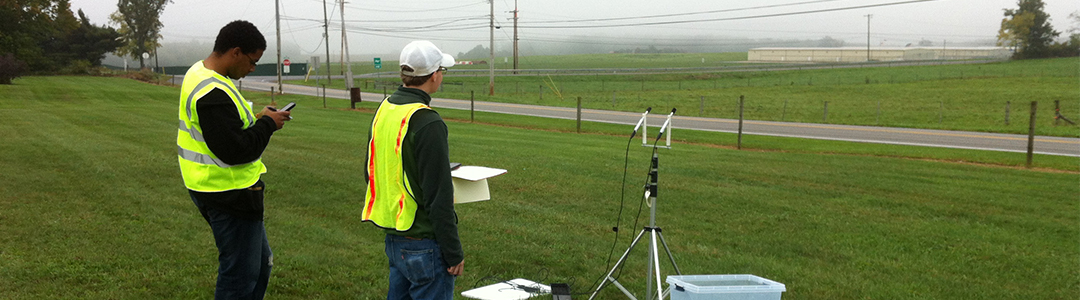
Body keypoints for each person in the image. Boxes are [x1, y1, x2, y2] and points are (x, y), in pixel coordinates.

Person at [176, 20, 290, 300]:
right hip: (227, 192)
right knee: (239, 276)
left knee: (260, 265)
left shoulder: (200, 73)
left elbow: (228, 128)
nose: (252, 69)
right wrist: (268, 126)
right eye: (252, 62)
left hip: (217, 187)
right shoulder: (211, 93)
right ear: (235, 52)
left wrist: (260, 118)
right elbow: (236, 150)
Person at [362, 40, 463, 300]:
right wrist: (453, 252)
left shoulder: (385, 109)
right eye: (442, 70)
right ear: (434, 75)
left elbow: (371, 171)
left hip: (395, 237)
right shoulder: (427, 121)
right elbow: (438, 195)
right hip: (424, 242)